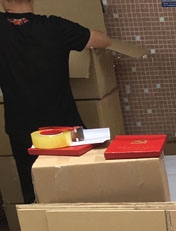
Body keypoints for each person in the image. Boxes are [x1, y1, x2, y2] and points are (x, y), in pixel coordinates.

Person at [0, 0, 111, 204]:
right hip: (66, 128)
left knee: (35, 193)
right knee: (81, 190)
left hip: (23, 132)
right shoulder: (55, 26)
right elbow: (103, 40)